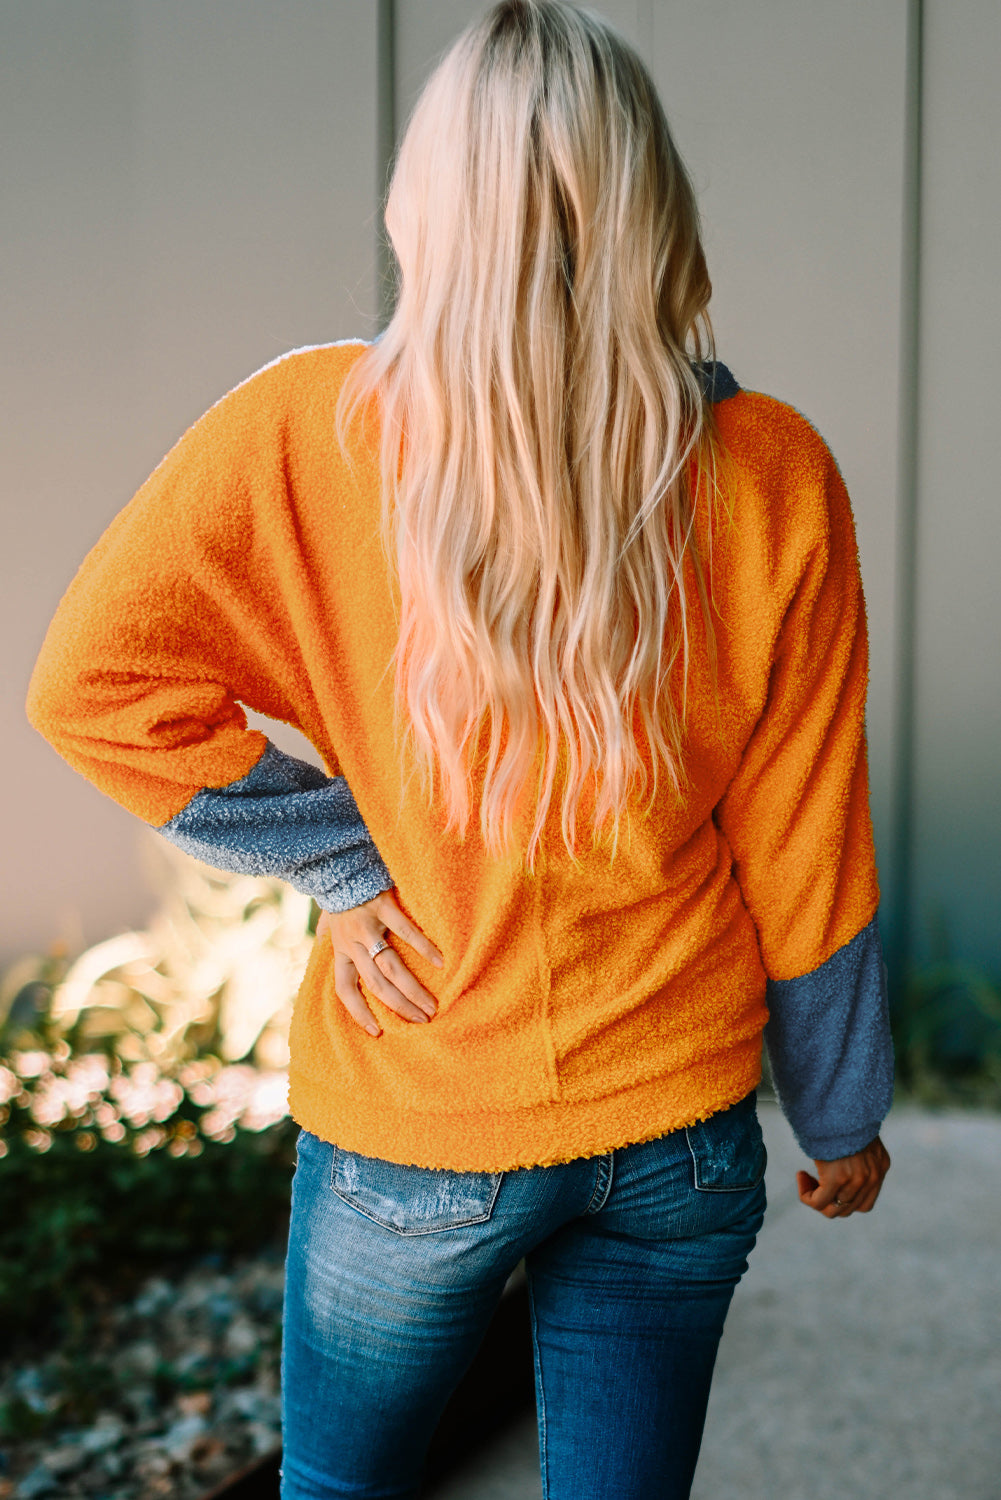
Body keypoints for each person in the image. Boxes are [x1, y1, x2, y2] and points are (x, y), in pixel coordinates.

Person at [26, 2, 893, 1496]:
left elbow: (94, 689)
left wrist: (346, 869)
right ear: (650, 205)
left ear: (418, 200)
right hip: (678, 1124)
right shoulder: (771, 466)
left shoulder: (303, 430)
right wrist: (840, 1107)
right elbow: (803, 825)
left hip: (417, 1125)